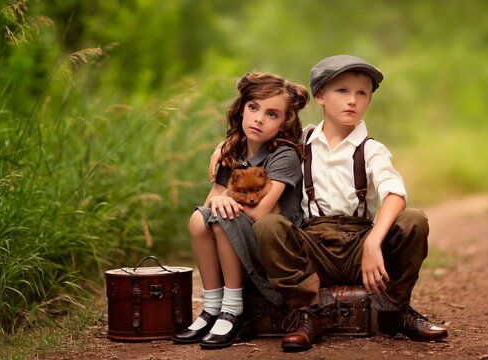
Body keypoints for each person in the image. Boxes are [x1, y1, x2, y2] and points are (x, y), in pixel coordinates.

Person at [247, 55, 448, 351]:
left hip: (360, 245)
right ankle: (304, 313)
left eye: (361, 93)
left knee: (414, 220)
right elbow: (254, 145)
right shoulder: (299, 142)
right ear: (320, 96)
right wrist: (221, 150)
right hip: (312, 247)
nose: (352, 100)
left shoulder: (372, 149)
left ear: (368, 101)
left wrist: (372, 243)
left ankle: (395, 310)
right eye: (342, 91)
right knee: (269, 226)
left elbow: (394, 193)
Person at [173, 71, 309, 350]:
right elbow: (210, 202)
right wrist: (219, 197)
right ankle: (211, 308)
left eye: (272, 114)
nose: (259, 118)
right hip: (240, 234)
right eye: (254, 107)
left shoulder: (285, 155)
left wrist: (224, 201)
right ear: (242, 109)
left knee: (224, 217)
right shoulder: (233, 151)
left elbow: (261, 214)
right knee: (199, 220)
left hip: (275, 245)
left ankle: (232, 309)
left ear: (285, 123)